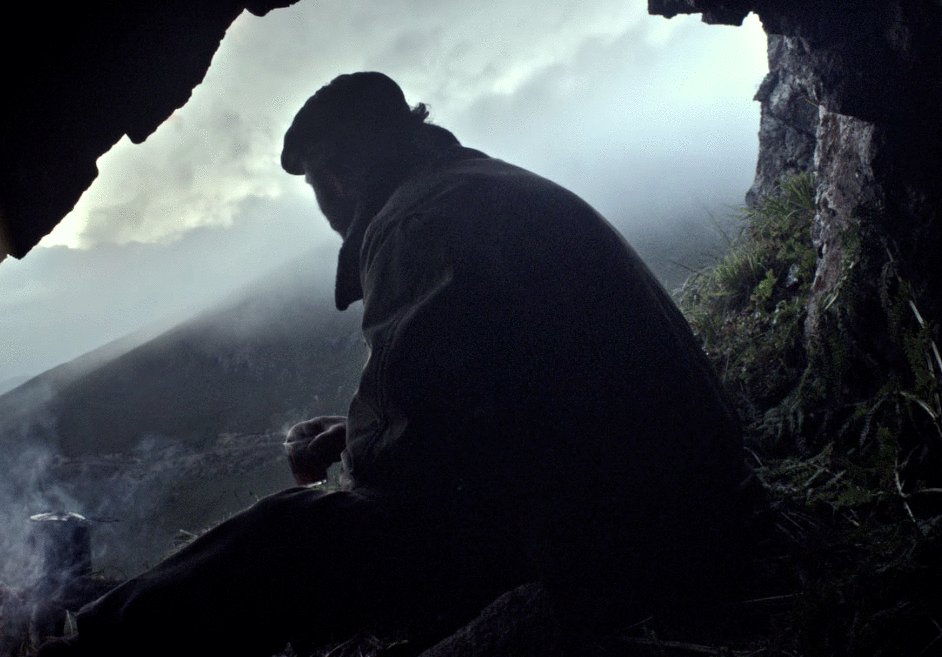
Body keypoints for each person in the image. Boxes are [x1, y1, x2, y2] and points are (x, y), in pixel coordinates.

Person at [40, 72, 745, 657]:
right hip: (690, 495)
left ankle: (87, 647)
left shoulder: (414, 225)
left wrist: (351, 452)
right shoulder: (475, 185)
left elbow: (402, 466)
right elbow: (491, 390)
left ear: (338, 178)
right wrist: (358, 430)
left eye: (317, 186)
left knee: (291, 532)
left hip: (632, 536)